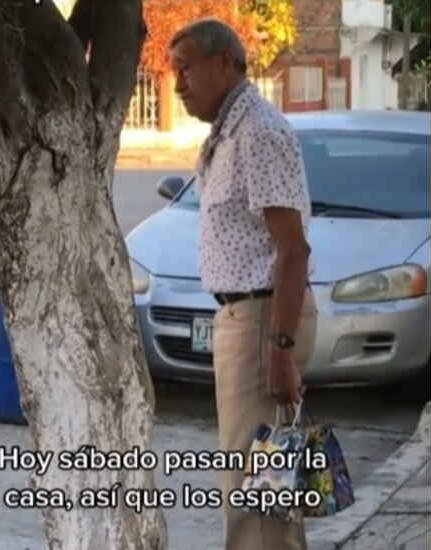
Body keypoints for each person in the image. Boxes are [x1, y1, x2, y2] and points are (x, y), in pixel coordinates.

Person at [170, 19, 318, 550]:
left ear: (224, 63)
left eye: (186, 69)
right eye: (174, 72)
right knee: (270, 492)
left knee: (255, 498)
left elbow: (293, 249)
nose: (178, 84)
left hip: (263, 319)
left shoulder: (258, 130)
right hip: (245, 318)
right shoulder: (229, 132)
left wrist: (279, 351)